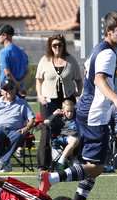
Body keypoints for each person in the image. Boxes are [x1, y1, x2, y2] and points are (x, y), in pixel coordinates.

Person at [38, 11, 117, 200]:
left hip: (86, 110)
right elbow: (98, 79)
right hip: (94, 113)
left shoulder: (100, 49)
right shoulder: (108, 52)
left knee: (91, 165)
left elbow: (96, 73)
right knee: (97, 167)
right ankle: (52, 177)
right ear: (109, 31)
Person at [35, 34, 82, 169]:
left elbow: (79, 79)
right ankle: (43, 165)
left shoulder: (71, 60)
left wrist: (79, 92)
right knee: (46, 129)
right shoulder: (44, 60)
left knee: (71, 129)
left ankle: (70, 161)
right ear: (50, 46)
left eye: (60, 45)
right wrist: (39, 95)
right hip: (49, 101)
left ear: (64, 46)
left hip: (68, 100)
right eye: (54, 45)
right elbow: (39, 80)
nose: (57, 47)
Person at [43, 100, 79, 170]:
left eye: (72, 111)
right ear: (63, 110)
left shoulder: (77, 117)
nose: (70, 113)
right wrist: (55, 113)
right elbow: (46, 122)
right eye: (67, 111)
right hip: (63, 138)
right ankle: (61, 161)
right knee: (74, 140)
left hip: (77, 138)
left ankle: (72, 161)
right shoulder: (59, 118)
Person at [0, 24, 31, 97]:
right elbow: (28, 72)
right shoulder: (21, 51)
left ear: (5, 36)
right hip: (20, 91)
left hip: (7, 90)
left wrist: (17, 86)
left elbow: (7, 73)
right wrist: (19, 85)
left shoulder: (3, 52)